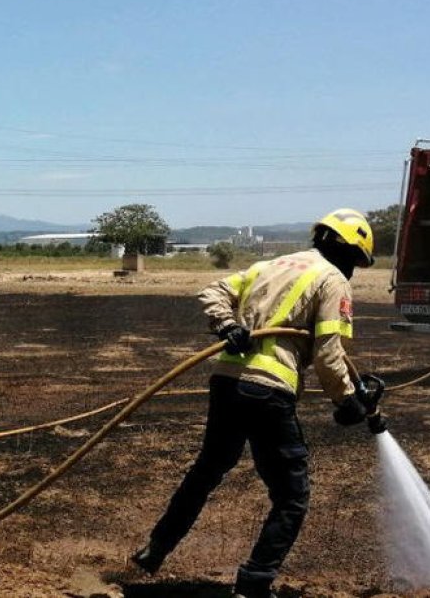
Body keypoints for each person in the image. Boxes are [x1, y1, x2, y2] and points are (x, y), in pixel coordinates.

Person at [130, 208, 385, 598]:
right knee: (291, 497)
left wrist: (228, 325)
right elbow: (328, 354)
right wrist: (348, 401)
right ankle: (254, 584)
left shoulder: (269, 265)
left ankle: (154, 550)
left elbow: (212, 292)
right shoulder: (331, 280)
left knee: (207, 471)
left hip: (227, 381)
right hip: (269, 390)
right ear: (347, 250)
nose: (354, 270)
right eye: (356, 261)